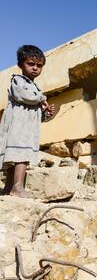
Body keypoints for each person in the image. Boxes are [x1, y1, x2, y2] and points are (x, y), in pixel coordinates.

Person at [0, 45, 55, 198]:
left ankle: (9, 188)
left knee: (17, 155)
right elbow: (24, 96)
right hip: (18, 126)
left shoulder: (34, 86)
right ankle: (17, 188)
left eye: (39, 65)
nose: (35, 68)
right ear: (20, 65)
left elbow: (35, 112)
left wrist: (46, 113)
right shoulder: (18, 81)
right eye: (31, 64)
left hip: (27, 127)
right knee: (21, 155)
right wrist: (42, 99)